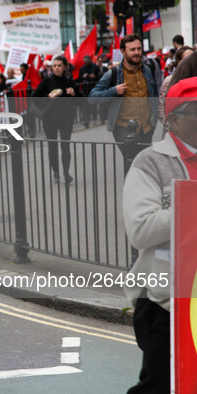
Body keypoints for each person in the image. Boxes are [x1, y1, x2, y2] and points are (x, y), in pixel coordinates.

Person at [122, 76, 197, 394]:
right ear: (175, 121)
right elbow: (139, 230)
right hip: (164, 303)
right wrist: (189, 207)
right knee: (160, 387)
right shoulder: (149, 163)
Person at [89, 34, 160, 151]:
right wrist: (113, 91)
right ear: (123, 51)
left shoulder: (149, 69)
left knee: (144, 165)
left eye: (139, 48)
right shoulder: (113, 74)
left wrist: (154, 120)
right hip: (123, 128)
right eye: (132, 50)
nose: (137, 52)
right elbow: (92, 97)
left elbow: (155, 94)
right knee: (131, 162)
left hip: (147, 127)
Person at [32, 55, 82, 184]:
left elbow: (82, 100)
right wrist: (48, 97)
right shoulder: (47, 82)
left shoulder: (69, 82)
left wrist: (73, 94)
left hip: (66, 119)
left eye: (60, 66)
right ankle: (55, 172)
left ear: (65, 67)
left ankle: (66, 173)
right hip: (50, 119)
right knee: (52, 146)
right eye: (55, 66)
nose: (57, 68)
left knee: (65, 146)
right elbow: (35, 97)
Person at [158, 46, 194, 137]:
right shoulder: (169, 81)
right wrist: (171, 126)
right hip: (173, 131)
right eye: (186, 59)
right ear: (179, 62)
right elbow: (162, 106)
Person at [77, 55, 100, 128]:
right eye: (85, 61)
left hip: (93, 88)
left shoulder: (95, 67)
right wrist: (84, 76)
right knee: (85, 106)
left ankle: (94, 118)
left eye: (87, 61)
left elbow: (100, 76)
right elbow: (79, 78)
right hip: (85, 90)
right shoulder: (82, 68)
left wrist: (94, 77)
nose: (86, 62)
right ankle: (86, 120)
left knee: (93, 105)